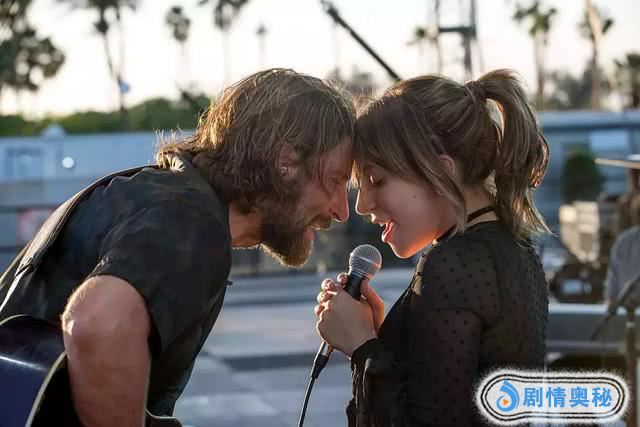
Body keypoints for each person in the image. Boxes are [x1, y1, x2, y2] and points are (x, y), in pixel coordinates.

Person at [0, 68, 355, 426]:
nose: (342, 210)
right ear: (286, 163)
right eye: (335, 181)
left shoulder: (155, 197)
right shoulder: (190, 222)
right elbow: (97, 324)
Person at [314, 69, 550, 426]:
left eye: (377, 180)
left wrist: (362, 347)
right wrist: (380, 338)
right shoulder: (513, 247)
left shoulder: (453, 263)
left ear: (441, 172)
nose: (362, 205)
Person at [604, 224, 640, 304]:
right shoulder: (625, 240)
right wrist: (610, 302)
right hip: (624, 307)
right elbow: (611, 290)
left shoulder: (624, 239)